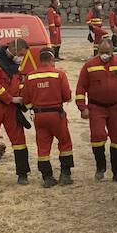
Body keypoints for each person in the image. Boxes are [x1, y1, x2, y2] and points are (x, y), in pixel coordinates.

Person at [75, 37, 117, 182]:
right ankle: (100, 168)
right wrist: (82, 108)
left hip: (116, 107)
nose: (104, 55)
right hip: (96, 107)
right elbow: (80, 88)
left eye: (107, 52)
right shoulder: (89, 65)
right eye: (102, 52)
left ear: (113, 50)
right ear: (98, 51)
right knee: (98, 137)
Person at [0, 38, 31, 184]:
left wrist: (21, 97)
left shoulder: (13, 64)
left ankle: (23, 175)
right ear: (14, 50)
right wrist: (10, 98)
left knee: (19, 141)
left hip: (11, 108)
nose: (22, 58)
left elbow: (18, 83)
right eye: (21, 54)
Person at [21, 47, 73, 186]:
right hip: (56, 115)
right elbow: (67, 96)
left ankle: (47, 177)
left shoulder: (30, 76)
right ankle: (65, 174)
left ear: (40, 60)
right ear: (51, 59)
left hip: (39, 116)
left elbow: (25, 100)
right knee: (65, 143)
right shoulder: (59, 75)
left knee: (43, 147)